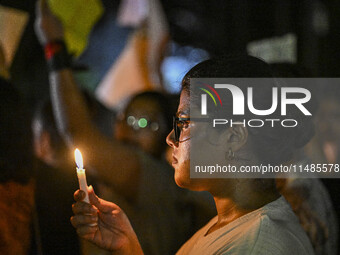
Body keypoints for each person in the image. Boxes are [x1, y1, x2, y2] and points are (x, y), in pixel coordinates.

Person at [71, 56, 315, 254]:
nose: (170, 138)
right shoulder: (225, 225)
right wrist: (128, 246)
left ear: (233, 137)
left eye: (185, 123)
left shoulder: (257, 246)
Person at [34, 1, 216, 254]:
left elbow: (77, 132)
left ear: (169, 135)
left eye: (144, 122)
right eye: (124, 118)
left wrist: (54, 46)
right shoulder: (110, 184)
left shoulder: (155, 177)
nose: (128, 130)